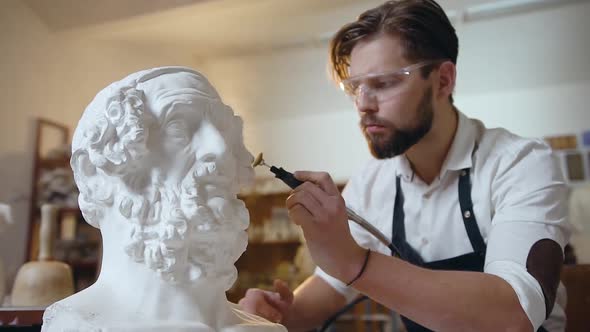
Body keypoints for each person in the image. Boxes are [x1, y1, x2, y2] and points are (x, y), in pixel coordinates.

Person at [238, 1, 570, 331]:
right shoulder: (372, 182)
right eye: (355, 88)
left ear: (443, 81)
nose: (363, 105)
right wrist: (271, 316)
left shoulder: (520, 163)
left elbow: (513, 315)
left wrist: (356, 262)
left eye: (383, 83)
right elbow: (325, 294)